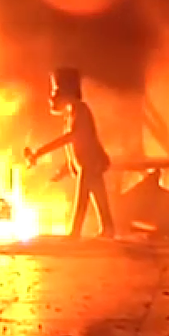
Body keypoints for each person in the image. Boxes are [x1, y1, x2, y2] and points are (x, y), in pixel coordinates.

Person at [26, 67, 115, 238]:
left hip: (89, 164)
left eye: (54, 92)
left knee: (82, 199)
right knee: (98, 197)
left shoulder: (80, 110)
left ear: (64, 92)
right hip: (87, 164)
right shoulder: (72, 113)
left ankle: (75, 232)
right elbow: (75, 145)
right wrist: (66, 168)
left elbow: (71, 137)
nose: (51, 98)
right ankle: (107, 229)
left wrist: (39, 152)